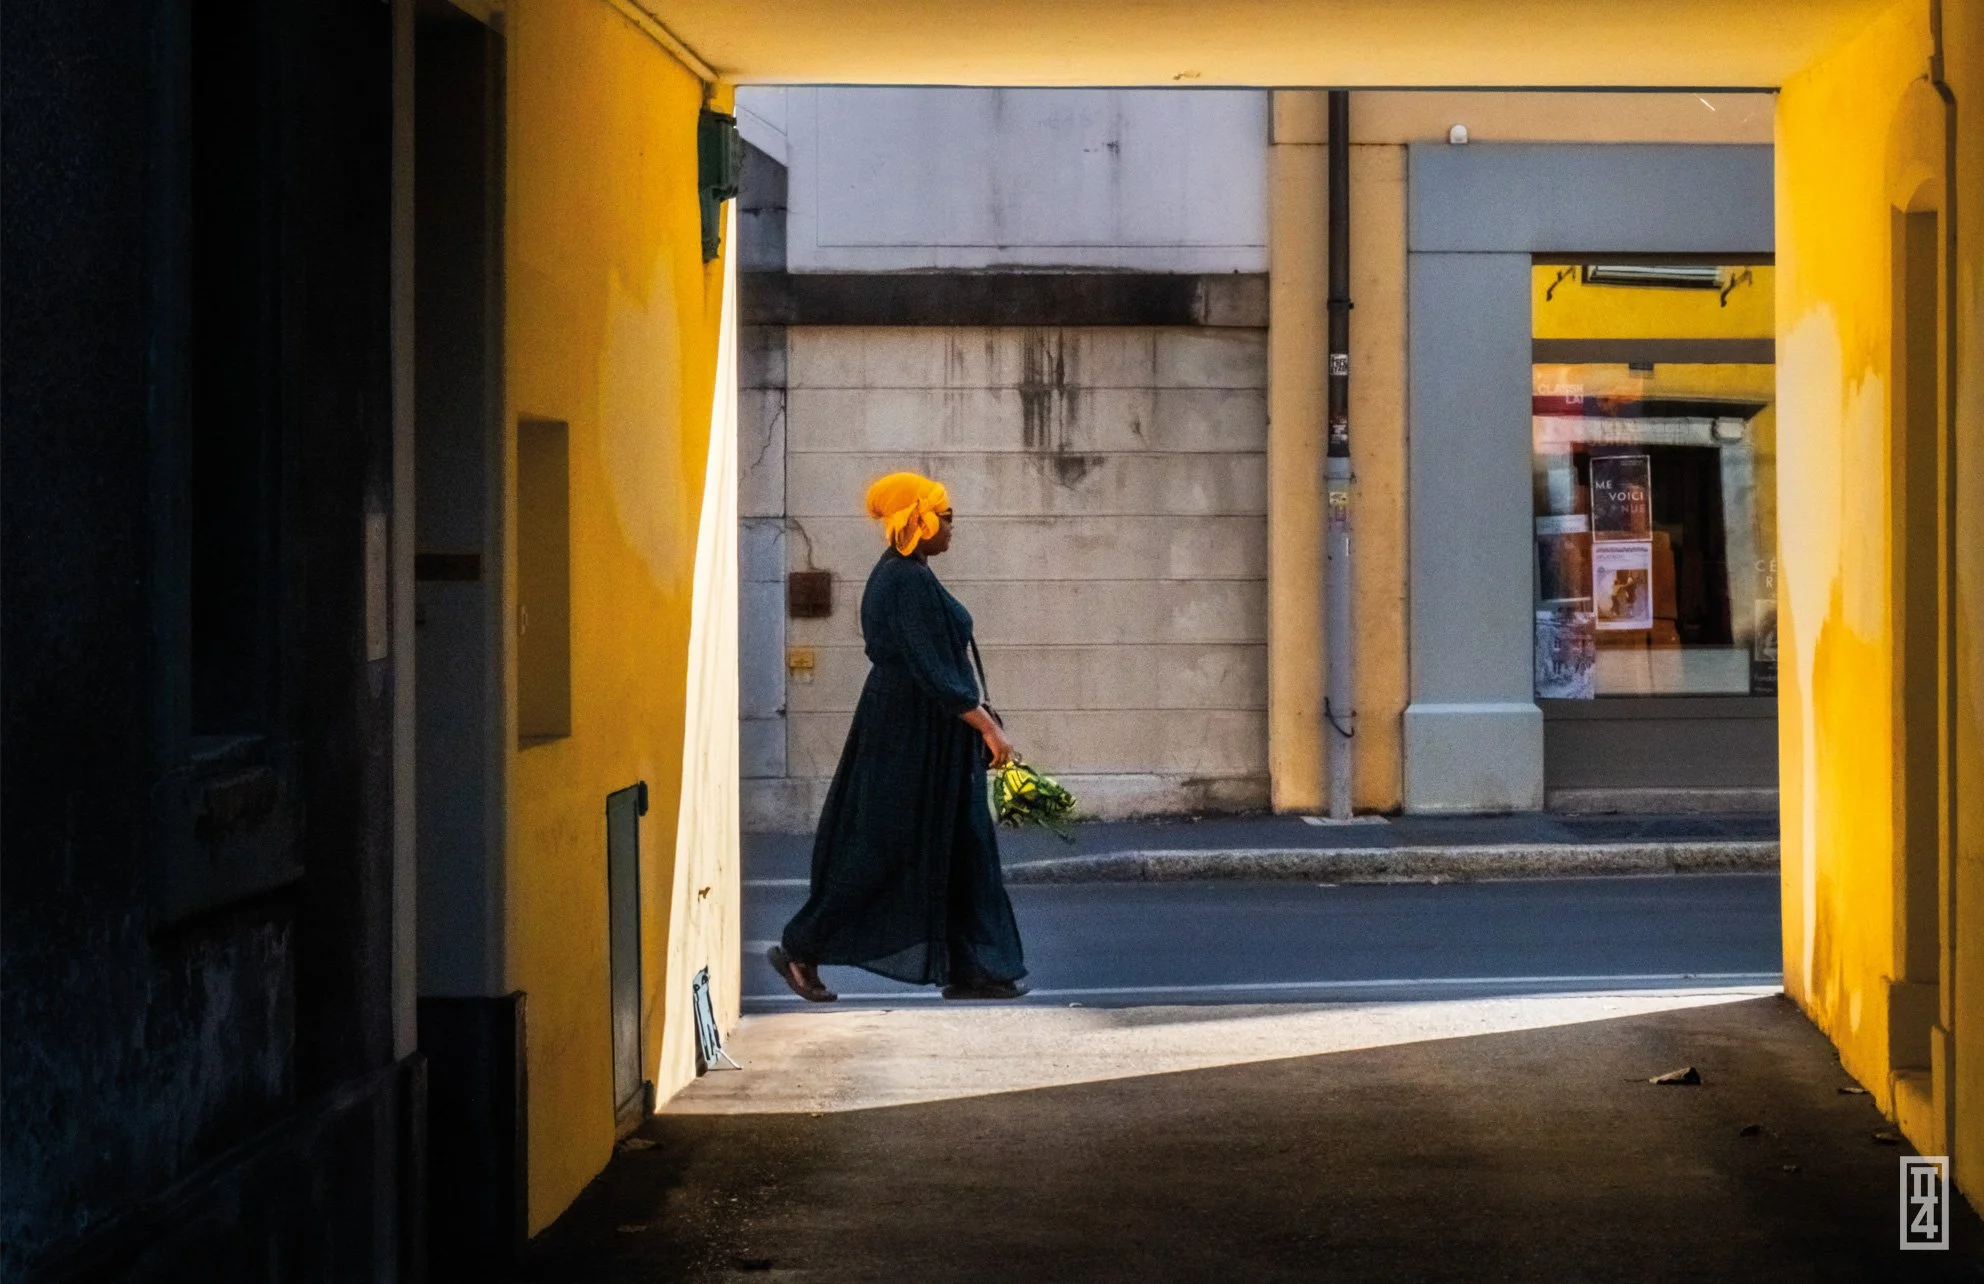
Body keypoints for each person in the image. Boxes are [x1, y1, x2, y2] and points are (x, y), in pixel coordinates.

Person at [768, 472, 1031, 1003]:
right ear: (921, 520)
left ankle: (975, 968)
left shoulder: (909, 574)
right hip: (908, 737)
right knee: (884, 847)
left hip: (928, 733)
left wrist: (975, 719)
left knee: (963, 848)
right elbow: (931, 670)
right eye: (946, 516)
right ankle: (801, 946)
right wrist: (988, 727)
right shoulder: (904, 579)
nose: (953, 526)